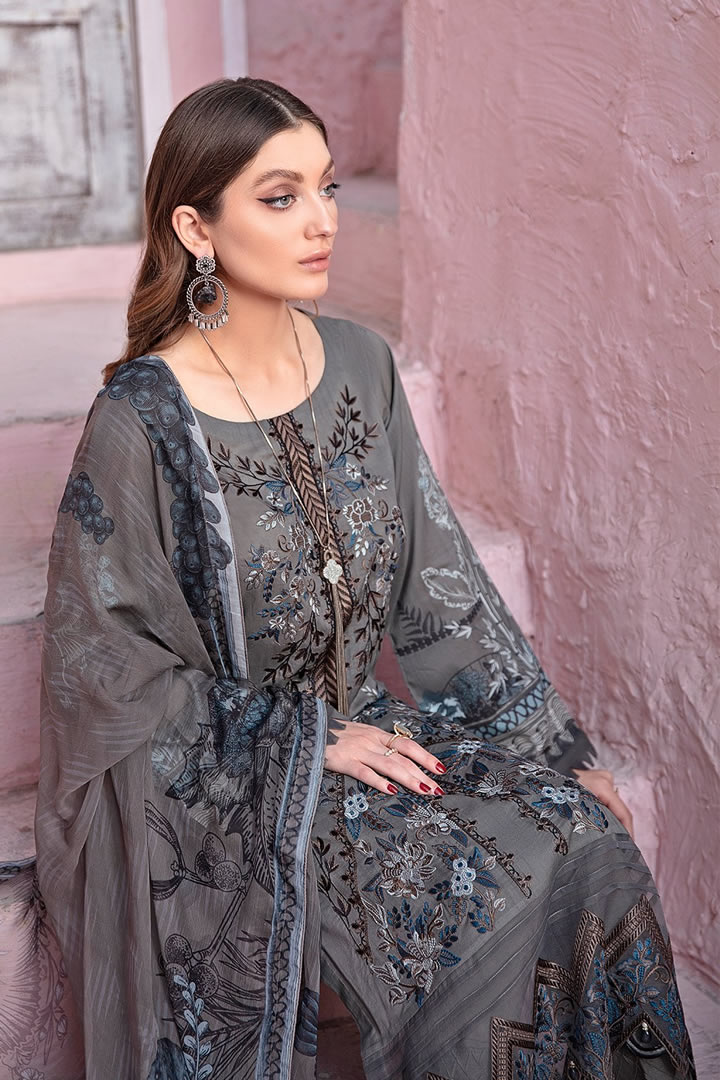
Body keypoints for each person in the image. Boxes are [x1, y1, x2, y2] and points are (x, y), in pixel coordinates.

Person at [28, 77, 695, 1080]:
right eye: (281, 196)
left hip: (377, 733)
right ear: (195, 228)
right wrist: (300, 739)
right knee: (468, 908)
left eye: (329, 187)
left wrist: (557, 750)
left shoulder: (360, 364)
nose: (323, 221)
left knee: (589, 834)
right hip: (251, 782)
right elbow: (103, 675)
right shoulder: (143, 422)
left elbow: (442, 586)